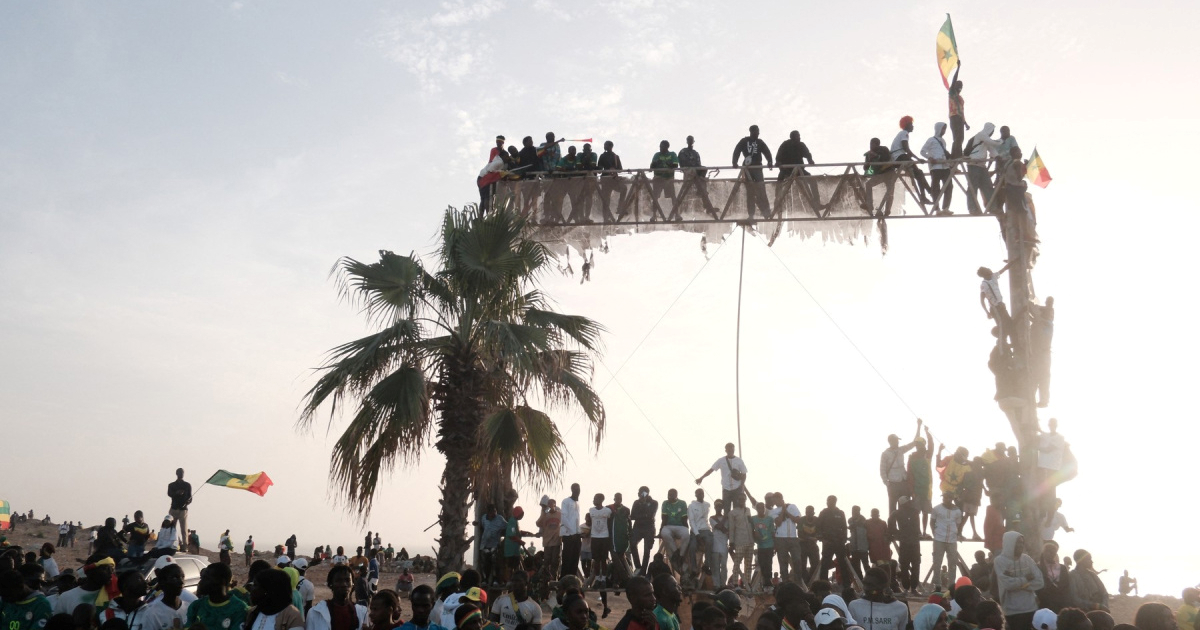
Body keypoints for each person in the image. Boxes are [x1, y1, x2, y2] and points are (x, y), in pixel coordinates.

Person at [995, 532, 1044, 630]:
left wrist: (1018, 583)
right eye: (1018, 543)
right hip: (1012, 612)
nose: (1021, 545)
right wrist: (1026, 579)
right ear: (1009, 543)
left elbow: (1040, 582)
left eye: (1022, 542)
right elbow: (1008, 584)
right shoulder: (999, 561)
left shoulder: (1027, 559)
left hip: (1031, 608)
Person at [189, 563, 250, 630]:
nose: (200, 582)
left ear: (222, 581)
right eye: (202, 578)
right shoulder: (196, 606)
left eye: (206, 578)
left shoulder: (239, 609)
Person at [732, 125, 774, 218]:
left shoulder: (760, 142)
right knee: (750, 192)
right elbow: (737, 150)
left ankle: (766, 213)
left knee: (761, 190)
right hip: (747, 169)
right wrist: (734, 162)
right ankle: (751, 215)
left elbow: (767, 152)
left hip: (757, 168)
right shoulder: (744, 141)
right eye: (757, 131)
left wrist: (770, 161)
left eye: (758, 131)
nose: (758, 133)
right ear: (752, 131)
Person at [308, 565, 368, 630]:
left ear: (353, 584)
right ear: (330, 584)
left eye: (347, 580)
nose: (344, 584)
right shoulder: (316, 613)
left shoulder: (362, 613)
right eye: (339, 581)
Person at [881, 424, 921, 515]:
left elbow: (914, 442)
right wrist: (887, 483)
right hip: (893, 483)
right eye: (896, 441)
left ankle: (904, 527)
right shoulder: (885, 454)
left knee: (905, 506)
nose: (898, 442)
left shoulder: (901, 450)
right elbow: (882, 470)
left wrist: (918, 426)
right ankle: (892, 527)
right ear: (891, 441)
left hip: (903, 482)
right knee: (892, 507)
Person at [890, 117, 932, 204]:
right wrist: (918, 159)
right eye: (911, 124)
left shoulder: (900, 134)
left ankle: (928, 192)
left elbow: (905, 150)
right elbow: (906, 148)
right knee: (919, 174)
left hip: (898, 157)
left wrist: (916, 159)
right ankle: (927, 193)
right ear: (907, 125)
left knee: (919, 173)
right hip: (901, 157)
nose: (913, 126)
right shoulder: (904, 133)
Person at [138, 562, 189, 630]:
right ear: (162, 582)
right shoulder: (152, 613)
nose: (181, 582)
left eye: (182, 577)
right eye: (174, 578)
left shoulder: (190, 608)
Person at [962, 123, 999, 215]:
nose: (992, 133)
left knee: (988, 187)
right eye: (992, 131)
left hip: (982, 166)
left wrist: (998, 157)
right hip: (973, 165)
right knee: (972, 187)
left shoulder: (985, 140)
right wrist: (1002, 141)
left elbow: (992, 150)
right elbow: (993, 143)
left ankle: (992, 207)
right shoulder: (981, 135)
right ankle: (972, 209)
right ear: (989, 129)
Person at [676, 136, 717, 216]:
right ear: (687, 141)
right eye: (689, 140)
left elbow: (699, 164)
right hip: (688, 172)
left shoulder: (695, 153)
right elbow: (682, 164)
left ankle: (707, 206)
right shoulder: (683, 152)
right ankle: (676, 211)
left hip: (697, 174)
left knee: (703, 183)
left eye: (692, 141)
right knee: (700, 186)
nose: (690, 142)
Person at [888, 497, 921, 595]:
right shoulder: (897, 513)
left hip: (914, 542)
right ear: (902, 504)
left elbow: (917, 526)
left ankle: (914, 588)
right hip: (906, 542)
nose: (909, 504)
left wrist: (896, 532)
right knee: (905, 566)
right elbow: (890, 523)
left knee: (915, 566)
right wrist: (896, 533)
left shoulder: (914, 512)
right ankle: (907, 588)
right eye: (907, 503)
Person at [920, 122, 954, 215]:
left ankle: (946, 208)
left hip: (945, 166)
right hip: (935, 167)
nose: (944, 131)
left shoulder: (943, 141)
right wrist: (929, 158)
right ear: (938, 129)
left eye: (945, 129)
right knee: (935, 188)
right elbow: (922, 151)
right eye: (943, 129)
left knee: (949, 186)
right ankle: (937, 209)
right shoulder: (931, 140)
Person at [770, 494, 803, 583]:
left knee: (797, 560)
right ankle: (785, 582)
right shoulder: (773, 511)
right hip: (780, 539)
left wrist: (786, 511)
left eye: (776, 499)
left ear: (781, 499)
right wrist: (783, 510)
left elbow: (798, 520)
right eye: (774, 500)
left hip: (793, 538)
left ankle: (798, 581)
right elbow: (778, 523)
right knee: (783, 562)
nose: (775, 502)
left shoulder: (792, 507)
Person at [817, 496, 849, 586]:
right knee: (825, 565)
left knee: (842, 564)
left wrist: (844, 539)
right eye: (829, 501)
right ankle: (824, 585)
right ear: (827, 502)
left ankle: (846, 585)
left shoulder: (840, 513)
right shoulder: (823, 513)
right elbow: (818, 526)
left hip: (839, 542)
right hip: (828, 542)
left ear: (835, 502)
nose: (830, 502)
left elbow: (844, 527)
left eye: (832, 501)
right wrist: (822, 539)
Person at [909, 428, 935, 535]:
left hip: (927, 489)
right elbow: (909, 474)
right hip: (916, 489)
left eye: (920, 444)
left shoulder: (928, 454)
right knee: (916, 513)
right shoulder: (912, 457)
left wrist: (928, 432)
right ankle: (918, 531)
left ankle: (924, 532)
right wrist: (912, 491)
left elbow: (931, 445)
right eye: (917, 445)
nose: (919, 446)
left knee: (926, 512)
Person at [978, 265, 1013, 346]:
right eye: (988, 273)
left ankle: (1013, 342)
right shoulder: (984, 285)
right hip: (995, 308)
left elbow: (1003, 269)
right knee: (1002, 328)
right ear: (984, 275)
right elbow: (982, 300)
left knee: (1010, 324)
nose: (990, 273)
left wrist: (1012, 262)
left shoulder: (993, 277)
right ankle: (1002, 345)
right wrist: (987, 312)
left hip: (1001, 306)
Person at [724, 494, 753, 587]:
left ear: (745, 500)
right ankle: (736, 584)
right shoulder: (732, 513)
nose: (742, 501)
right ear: (737, 500)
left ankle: (747, 583)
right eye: (740, 499)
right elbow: (731, 528)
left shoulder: (748, 510)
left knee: (748, 565)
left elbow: (751, 524)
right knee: (736, 564)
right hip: (739, 541)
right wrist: (731, 543)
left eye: (743, 499)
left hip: (750, 541)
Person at [585, 496, 612, 590]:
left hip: (604, 536)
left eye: (595, 499)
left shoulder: (607, 511)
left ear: (601, 500)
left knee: (603, 560)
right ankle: (597, 579)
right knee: (596, 560)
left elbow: (609, 522)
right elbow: (590, 522)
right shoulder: (591, 510)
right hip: (595, 536)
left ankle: (603, 579)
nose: (593, 501)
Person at [1031, 301, 1055, 408]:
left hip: (1041, 355)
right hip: (1041, 355)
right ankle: (1039, 399)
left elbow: (1033, 309)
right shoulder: (1044, 322)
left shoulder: (1046, 323)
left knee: (1041, 376)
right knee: (1039, 376)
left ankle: (1042, 400)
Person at [659, 490, 689, 569]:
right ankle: (676, 552)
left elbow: (684, 518)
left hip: (680, 526)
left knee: (686, 534)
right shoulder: (665, 503)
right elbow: (664, 518)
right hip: (668, 526)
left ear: (676, 495)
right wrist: (660, 530)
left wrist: (687, 527)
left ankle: (681, 555)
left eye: (671, 495)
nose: (669, 496)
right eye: (668, 495)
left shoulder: (682, 503)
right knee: (664, 533)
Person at [1036, 543, 1070, 613]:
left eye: (1053, 552)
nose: (1050, 553)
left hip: (1061, 602)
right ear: (1044, 552)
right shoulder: (1038, 567)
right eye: (1048, 551)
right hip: (1044, 603)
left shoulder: (1062, 568)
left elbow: (1066, 585)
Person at [479, 505, 507, 587]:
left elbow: (507, 526)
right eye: (492, 512)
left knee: (495, 563)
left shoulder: (499, 519)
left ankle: (495, 580)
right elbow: (482, 526)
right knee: (484, 564)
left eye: (495, 511)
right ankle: (485, 580)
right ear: (488, 512)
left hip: (494, 545)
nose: (494, 513)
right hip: (484, 545)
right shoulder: (484, 518)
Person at [596, 141, 625, 221]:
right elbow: (599, 169)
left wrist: (614, 170)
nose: (604, 146)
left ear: (610, 146)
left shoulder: (615, 157)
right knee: (606, 199)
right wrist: (605, 170)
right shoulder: (602, 156)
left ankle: (620, 207)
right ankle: (606, 218)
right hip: (605, 180)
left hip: (613, 180)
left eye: (605, 145)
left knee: (624, 189)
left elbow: (620, 169)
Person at [536, 497, 562, 582]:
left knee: (555, 561)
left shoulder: (559, 514)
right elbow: (538, 523)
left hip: (556, 541)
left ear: (555, 505)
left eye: (552, 504)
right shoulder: (545, 515)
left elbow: (565, 523)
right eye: (548, 504)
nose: (550, 506)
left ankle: (554, 578)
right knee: (547, 561)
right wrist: (543, 512)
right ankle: (546, 578)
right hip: (547, 542)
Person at [749, 502, 774, 590]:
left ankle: (768, 583)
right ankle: (765, 582)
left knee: (769, 564)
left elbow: (772, 532)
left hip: (770, 545)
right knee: (762, 564)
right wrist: (754, 534)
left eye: (762, 507)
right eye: (759, 508)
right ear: (756, 509)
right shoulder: (753, 519)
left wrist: (775, 546)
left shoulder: (770, 519)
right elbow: (750, 528)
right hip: (760, 546)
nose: (761, 509)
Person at [649, 140, 680, 213]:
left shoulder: (672, 154)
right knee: (655, 197)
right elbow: (651, 167)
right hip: (658, 178)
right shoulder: (657, 155)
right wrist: (656, 163)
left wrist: (669, 164)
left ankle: (676, 214)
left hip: (668, 178)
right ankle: (654, 215)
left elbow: (675, 165)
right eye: (660, 146)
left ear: (667, 147)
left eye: (662, 146)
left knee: (673, 196)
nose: (660, 148)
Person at [686, 489, 712, 576]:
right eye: (699, 494)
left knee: (709, 542)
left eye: (702, 493)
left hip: (705, 529)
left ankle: (707, 565)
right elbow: (691, 521)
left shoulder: (707, 505)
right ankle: (693, 568)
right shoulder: (691, 506)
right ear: (696, 495)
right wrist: (697, 534)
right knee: (692, 547)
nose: (701, 495)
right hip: (695, 530)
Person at [560, 484, 582, 578]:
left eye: (579, 489)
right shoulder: (566, 501)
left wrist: (579, 532)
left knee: (575, 559)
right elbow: (564, 518)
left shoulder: (578, 503)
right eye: (576, 489)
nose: (577, 491)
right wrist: (572, 531)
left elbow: (576, 520)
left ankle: (573, 579)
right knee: (567, 559)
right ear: (572, 490)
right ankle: (564, 579)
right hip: (569, 535)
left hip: (576, 535)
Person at [947, 64, 969, 158]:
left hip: (960, 118)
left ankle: (955, 155)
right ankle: (957, 155)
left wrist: (965, 123)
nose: (960, 86)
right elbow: (953, 80)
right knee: (957, 137)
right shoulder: (952, 93)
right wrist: (958, 68)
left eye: (961, 85)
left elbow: (962, 112)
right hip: (954, 117)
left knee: (960, 138)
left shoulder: (960, 98)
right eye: (958, 84)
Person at [167, 469, 192, 542]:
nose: (181, 474)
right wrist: (176, 493)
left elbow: (190, 497)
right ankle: (174, 543)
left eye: (182, 473)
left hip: (183, 509)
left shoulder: (187, 485)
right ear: (176, 473)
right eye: (180, 473)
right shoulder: (171, 485)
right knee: (172, 528)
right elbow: (169, 494)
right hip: (174, 508)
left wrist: (188, 501)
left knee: (184, 529)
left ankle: (185, 546)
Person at [847, 506, 869, 580]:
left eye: (855, 510)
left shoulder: (864, 520)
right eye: (853, 510)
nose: (854, 512)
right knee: (856, 566)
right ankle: (861, 581)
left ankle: (868, 579)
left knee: (866, 566)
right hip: (854, 548)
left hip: (863, 547)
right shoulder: (850, 520)